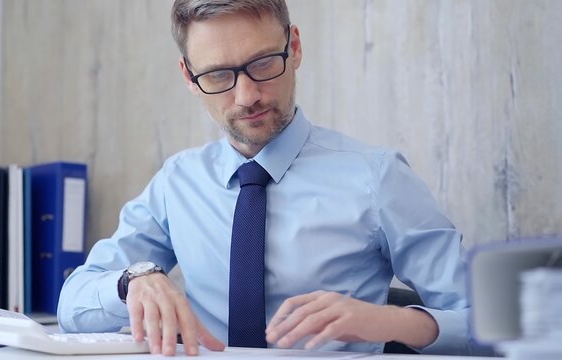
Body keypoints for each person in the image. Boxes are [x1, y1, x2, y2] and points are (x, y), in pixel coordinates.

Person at [58, 0, 490, 357]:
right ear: (190, 78)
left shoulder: (377, 177)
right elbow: (71, 305)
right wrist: (132, 280)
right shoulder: (177, 183)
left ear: (295, 47)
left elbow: (493, 321)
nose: (247, 97)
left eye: (263, 63)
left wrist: (392, 322)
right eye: (218, 76)